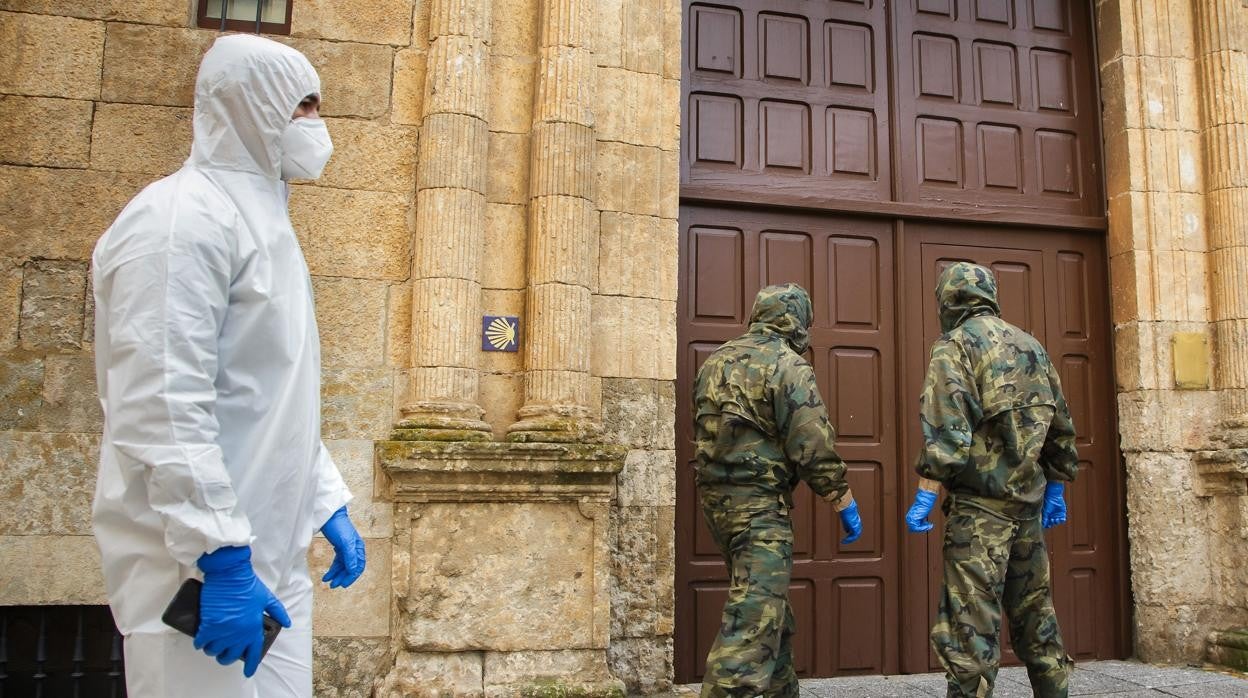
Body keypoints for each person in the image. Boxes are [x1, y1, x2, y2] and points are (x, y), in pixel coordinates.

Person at [91, 34, 366, 696]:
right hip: (197, 572)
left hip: (272, 562)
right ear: (251, 108)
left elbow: (272, 396)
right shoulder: (178, 222)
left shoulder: (267, 225)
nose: (315, 124)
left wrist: (323, 498)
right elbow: (161, 403)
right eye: (302, 106)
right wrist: (219, 553)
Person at [902, 262, 1078, 698]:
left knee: (970, 631)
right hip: (1028, 508)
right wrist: (1055, 485)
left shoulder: (955, 347)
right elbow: (1060, 424)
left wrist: (926, 492)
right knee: (1036, 618)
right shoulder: (1031, 345)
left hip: (979, 514)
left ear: (947, 299)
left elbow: (947, 431)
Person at [692, 283, 863, 698]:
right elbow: (812, 444)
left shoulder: (717, 361)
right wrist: (842, 499)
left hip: (717, 502)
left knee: (771, 611)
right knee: (752, 625)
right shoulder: (787, 365)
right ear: (797, 321)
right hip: (759, 509)